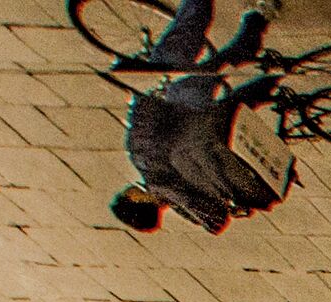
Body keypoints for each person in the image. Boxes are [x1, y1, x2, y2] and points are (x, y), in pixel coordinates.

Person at [109, 1, 295, 236]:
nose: (126, 191)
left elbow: (218, 221)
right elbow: (146, 123)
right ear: (136, 199)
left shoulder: (187, 210)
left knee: (230, 106)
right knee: (189, 64)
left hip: (216, 137)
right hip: (191, 113)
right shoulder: (146, 164)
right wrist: (139, 98)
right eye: (125, 196)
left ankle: (273, 77)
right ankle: (250, 27)